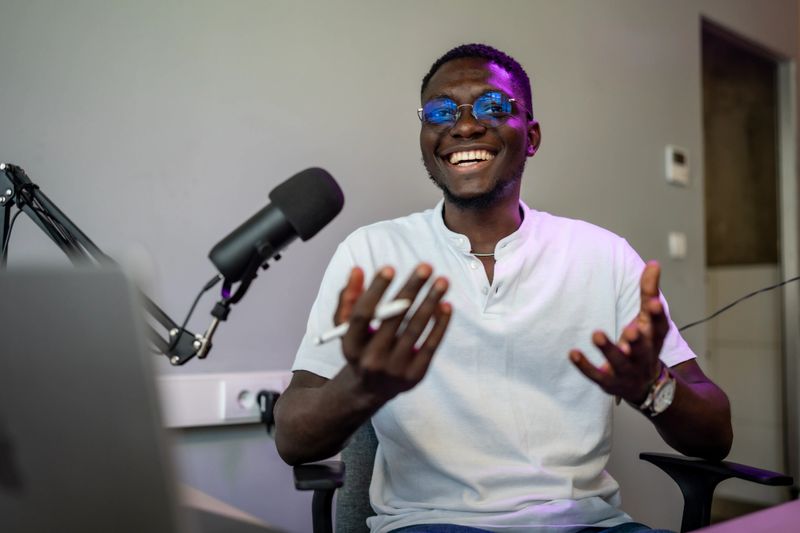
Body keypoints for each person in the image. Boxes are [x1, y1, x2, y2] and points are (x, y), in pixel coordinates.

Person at [274, 43, 732, 533]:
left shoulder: (603, 255)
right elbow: (293, 440)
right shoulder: (372, 254)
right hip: (432, 525)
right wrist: (359, 389)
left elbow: (715, 435)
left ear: (531, 137)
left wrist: (653, 387)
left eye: (492, 106)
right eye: (441, 111)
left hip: (588, 525)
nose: (465, 126)